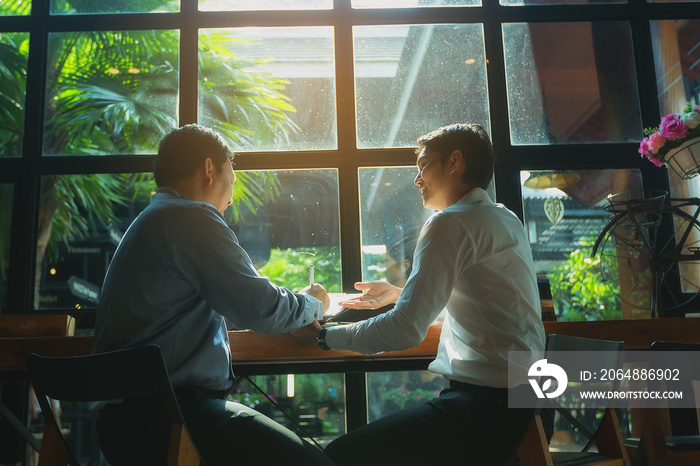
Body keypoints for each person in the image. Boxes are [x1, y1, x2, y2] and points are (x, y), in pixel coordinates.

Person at [292, 123, 547, 465]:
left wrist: (324, 336)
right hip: (519, 398)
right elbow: (485, 304)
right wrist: (402, 293)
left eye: (424, 165)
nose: (417, 179)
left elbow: (406, 329)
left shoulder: (449, 222)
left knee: (339, 457)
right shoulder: (503, 218)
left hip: (485, 405)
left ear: (455, 162)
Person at [93, 124, 335, 466]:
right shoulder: (190, 217)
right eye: (232, 181)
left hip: (127, 421)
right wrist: (316, 304)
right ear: (209, 169)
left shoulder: (152, 220)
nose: (232, 197)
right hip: (170, 419)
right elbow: (261, 309)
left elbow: (232, 305)